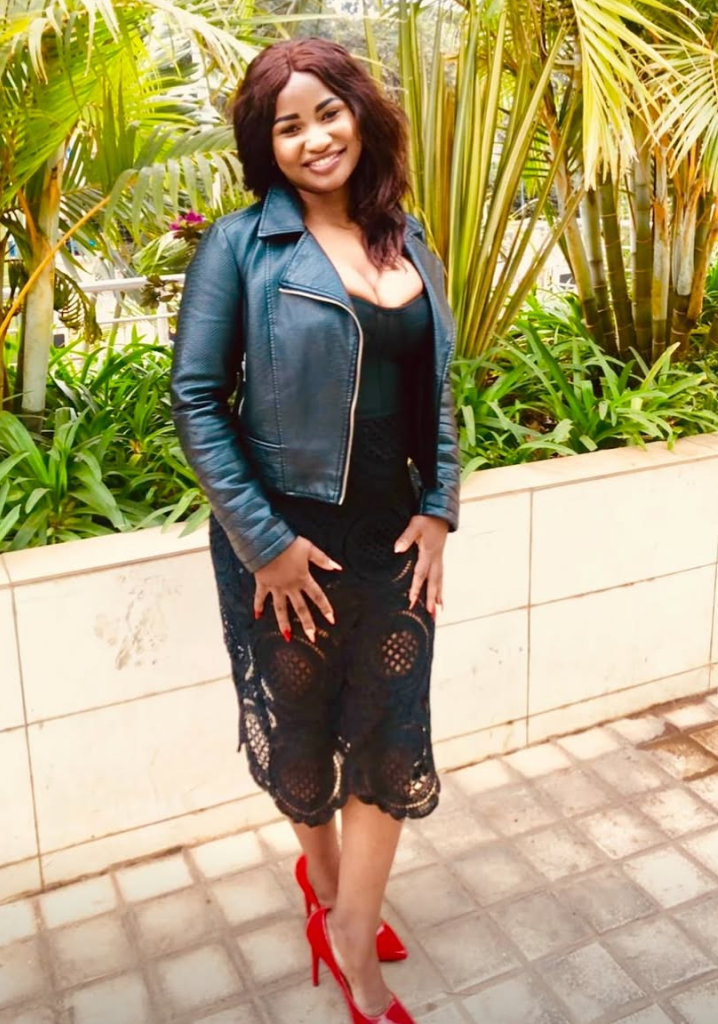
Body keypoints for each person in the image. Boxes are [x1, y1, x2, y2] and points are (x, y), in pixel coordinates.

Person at [171, 37, 459, 1024]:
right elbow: (197, 400)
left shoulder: (406, 238)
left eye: (327, 112)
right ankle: (326, 889)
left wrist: (440, 505)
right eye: (287, 126)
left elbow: (439, 393)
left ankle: (351, 939)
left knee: (389, 739)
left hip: (391, 539)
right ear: (267, 146)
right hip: (284, 543)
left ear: (360, 114)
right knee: (302, 744)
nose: (314, 138)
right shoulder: (240, 247)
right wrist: (264, 542)